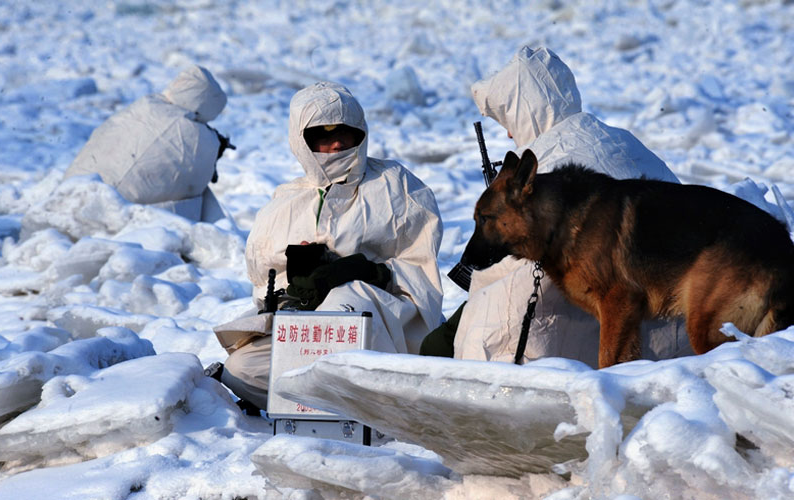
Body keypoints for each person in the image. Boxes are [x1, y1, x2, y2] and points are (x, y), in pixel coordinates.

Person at [421, 46, 691, 368]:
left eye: (509, 120)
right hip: (674, 336)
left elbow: (511, 276)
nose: (508, 133)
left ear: (526, 111)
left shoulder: (550, 169)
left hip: (581, 348)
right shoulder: (624, 140)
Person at [218, 81, 443, 410]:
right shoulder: (284, 205)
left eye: (344, 133)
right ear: (302, 141)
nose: (336, 144)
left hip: (380, 323)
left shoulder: (395, 186)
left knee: (344, 303)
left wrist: (369, 272)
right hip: (305, 329)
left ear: (360, 133)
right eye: (322, 137)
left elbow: (422, 271)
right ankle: (335, 407)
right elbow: (264, 284)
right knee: (242, 369)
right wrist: (298, 285)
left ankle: (366, 404)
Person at [64, 65, 234, 223]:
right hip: (112, 214)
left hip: (70, 190)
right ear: (207, 106)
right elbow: (192, 188)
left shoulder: (147, 104)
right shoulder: (198, 137)